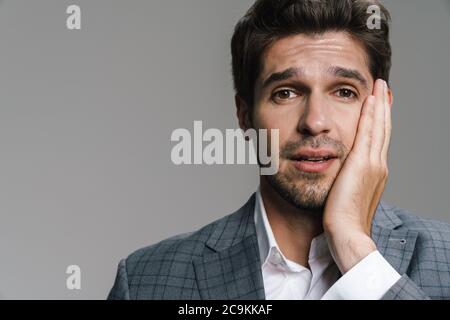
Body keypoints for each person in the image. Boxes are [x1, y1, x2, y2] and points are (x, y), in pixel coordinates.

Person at [108, 0, 450, 300]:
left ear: (382, 109)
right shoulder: (144, 281)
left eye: (344, 92)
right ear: (245, 115)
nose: (315, 122)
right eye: (286, 93)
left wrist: (354, 248)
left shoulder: (444, 258)